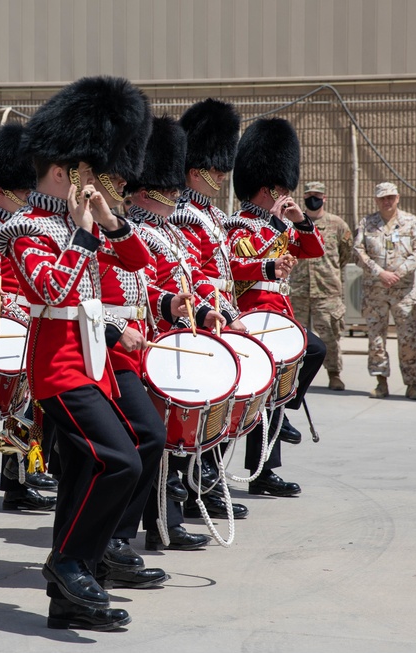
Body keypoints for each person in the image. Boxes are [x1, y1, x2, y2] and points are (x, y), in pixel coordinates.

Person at [0, 76, 149, 631]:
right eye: (86, 171)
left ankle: (71, 598)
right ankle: (68, 563)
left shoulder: (76, 221)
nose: (94, 180)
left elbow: (137, 266)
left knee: (88, 469)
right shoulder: (28, 228)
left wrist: (109, 223)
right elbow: (52, 291)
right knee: (122, 460)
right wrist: (85, 234)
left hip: (91, 363)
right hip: (56, 368)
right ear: (61, 172)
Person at [121, 115, 231, 549]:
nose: (176, 196)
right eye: (169, 190)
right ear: (147, 192)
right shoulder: (138, 233)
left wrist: (208, 310)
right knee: (160, 439)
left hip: (177, 339)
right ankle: (162, 523)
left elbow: (192, 279)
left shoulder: (168, 232)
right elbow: (142, 288)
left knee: (173, 441)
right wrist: (172, 305)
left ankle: (167, 521)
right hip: (153, 343)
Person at [86, 102, 180, 588]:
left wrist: (173, 307)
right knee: (143, 438)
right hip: (99, 353)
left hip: (129, 353)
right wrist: (114, 332)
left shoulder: (114, 225)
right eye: (117, 181)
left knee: (138, 443)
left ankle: (110, 542)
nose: (123, 187)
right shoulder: (79, 226)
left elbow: (137, 282)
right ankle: (113, 541)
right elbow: (76, 294)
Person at [225, 117, 326, 497]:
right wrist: (267, 263)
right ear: (266, 188)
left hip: (280, 315)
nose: (288, 195)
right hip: (252, 317)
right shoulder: (239, 226)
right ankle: (260, 467)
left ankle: (266, 469)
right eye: (282, 189)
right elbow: (233, 266)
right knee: (265, 394)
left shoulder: (281, 226)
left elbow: (314, 250)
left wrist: (300, 221)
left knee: (311, 354)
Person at [0, 122, 57, 512]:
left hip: (34, 326)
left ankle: (31, 472)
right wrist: (31, 316)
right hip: (16, 328)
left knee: (38, 407)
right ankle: (16, 485)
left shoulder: (30, 228)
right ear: (2, 191)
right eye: (22, 189)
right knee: (20, 410)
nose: (28, 194)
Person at [170, 98, 252, 519]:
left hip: (217, 312)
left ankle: (206, 482)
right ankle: (198, 485)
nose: (222, 176)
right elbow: (193, 277)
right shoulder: (186, 216)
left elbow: (220, 270)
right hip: (200, 319)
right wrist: (218, 313)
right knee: (205, 411)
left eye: (223, 169)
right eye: (215, 169)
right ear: (193, 170)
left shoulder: (210, 215)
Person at [353, 182, 416, 400]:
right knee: (376, 338)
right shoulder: (368, 223)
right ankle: (380, 381)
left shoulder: (411, 222)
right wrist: (379, 273)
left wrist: (399, 272)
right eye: (383, 198)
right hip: (375, 291)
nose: (387, 201)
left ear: (398, 198)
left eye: (391, 197)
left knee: (408, 338)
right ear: (376, 200)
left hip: (403, 292)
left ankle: (412, 384)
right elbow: (358, 252)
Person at [289, 181, 353, 392]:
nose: (313, 199)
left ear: (324, 198)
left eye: (317, 195)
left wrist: (328, 273)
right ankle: (293, 379)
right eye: (309, 195)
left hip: (327, 292)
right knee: (296, 337)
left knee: (330, 337)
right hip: (298, 291)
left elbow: (345, 254)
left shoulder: (337, 224)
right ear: (303, 198)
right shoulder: (293, 223)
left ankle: (334, 374)